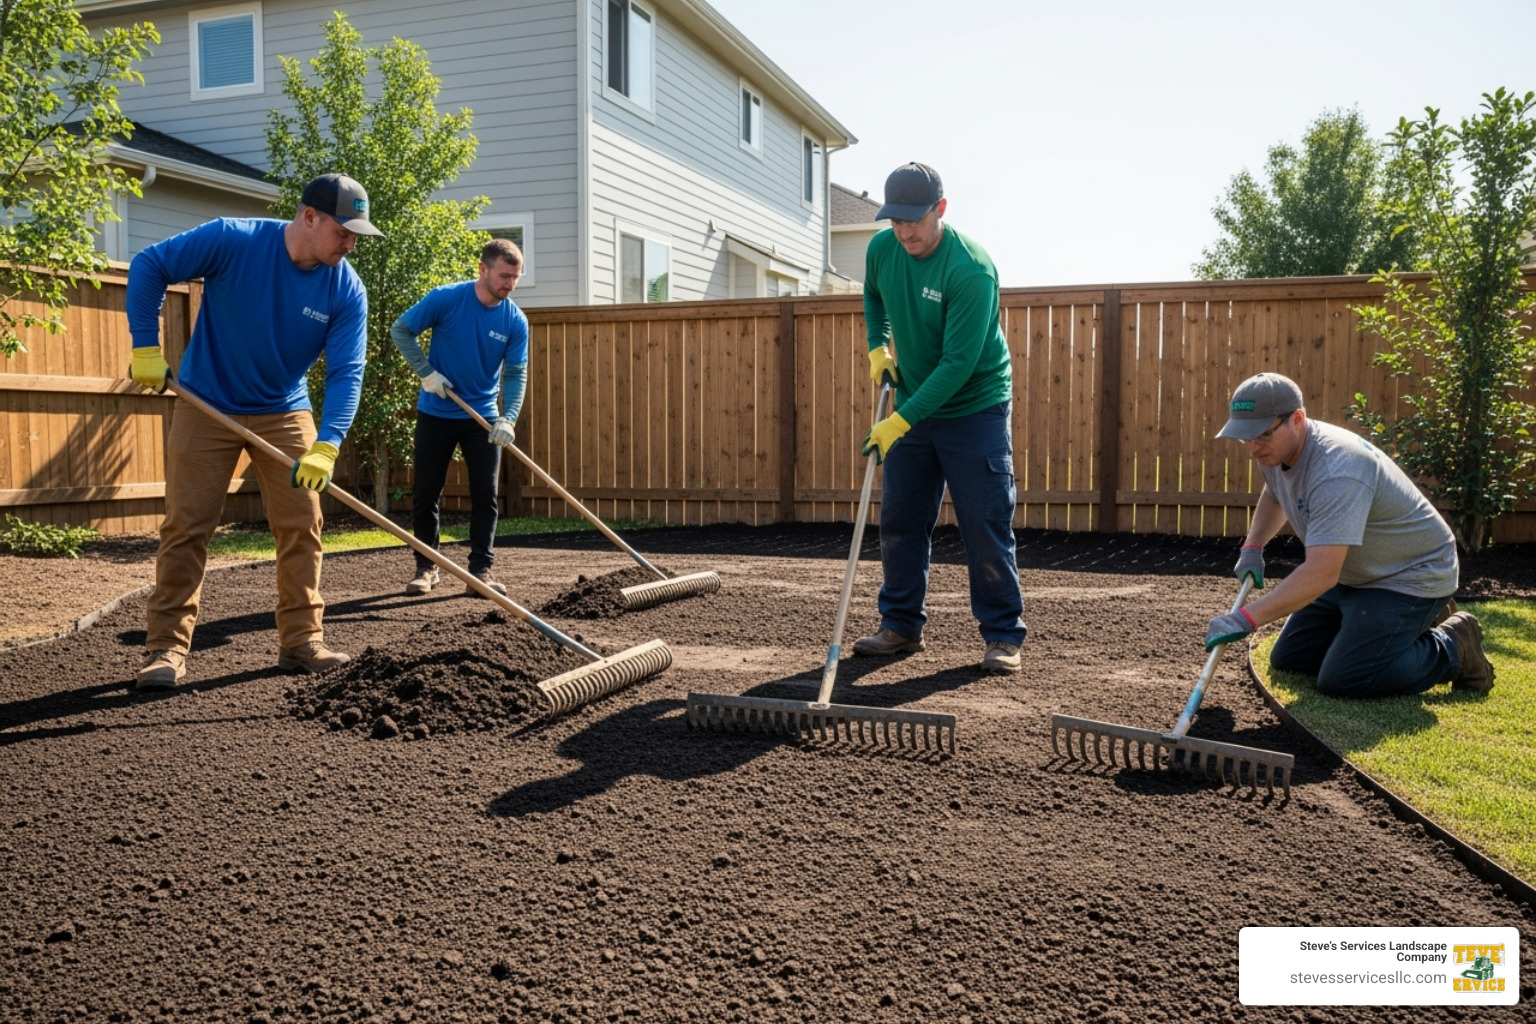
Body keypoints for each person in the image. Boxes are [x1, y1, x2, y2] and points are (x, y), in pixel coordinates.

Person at [126, 173, 380, 690]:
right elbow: (149, 265)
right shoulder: (233, 239)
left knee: (301, 524)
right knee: (187, 526)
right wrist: (145, 346)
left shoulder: (346, 287)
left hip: (283, 409)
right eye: (344, 230)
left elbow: (346, 371)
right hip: (207, 401)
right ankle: (165, 649)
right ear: (309, 217)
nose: (350, 243)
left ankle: (301, 642)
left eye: (357, 233)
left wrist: (327, 444)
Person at [1205, 372, 1495, 696]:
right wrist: (1253, 547)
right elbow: (1275, 493)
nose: (1252, 446)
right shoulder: (1274, 450)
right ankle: (1393, 629)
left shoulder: (1336, 469)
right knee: (1291, 659)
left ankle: (1454, 643)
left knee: (1345, 679)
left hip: (1408, 575)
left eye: (1261, 435)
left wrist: (1245, 618)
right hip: (1355, 574)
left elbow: (1321, 573)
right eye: (1245, 437)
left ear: (1297, 419)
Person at [852, 162, 1026, 674]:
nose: (904, 231)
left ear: (940, 210)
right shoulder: (884, 249)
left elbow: (957, 366)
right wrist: (876, 347)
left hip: (975, 407)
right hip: (913, 401)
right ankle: (900, 626)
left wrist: (900, 422)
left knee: (984, 521)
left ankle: (1002, 635)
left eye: (914, 220)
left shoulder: (970, 269)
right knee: (901, 519)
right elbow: (872, 294)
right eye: (895, 221)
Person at [390, 238, 529, 597]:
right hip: (436, 410)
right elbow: (401, 330)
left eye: (515, 277)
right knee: (426, 493)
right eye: (504, 276)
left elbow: (515, 374)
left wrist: (508, 418)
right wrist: (425, 372)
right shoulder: (446, 298)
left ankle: (480, 572)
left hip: (482, 417)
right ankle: (426, 567)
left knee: (486, 496)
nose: (509, 285)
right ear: (483, 269)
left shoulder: (515, 320)